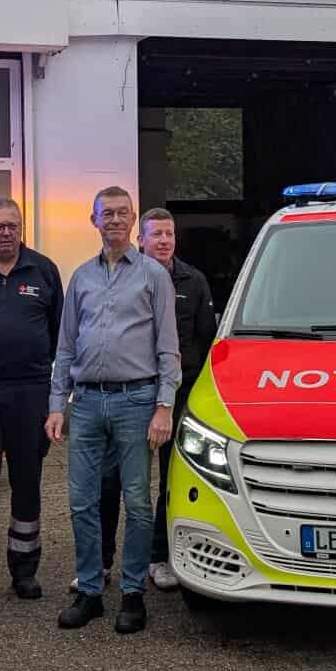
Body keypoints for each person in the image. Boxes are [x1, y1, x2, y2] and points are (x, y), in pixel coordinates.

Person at [46, 186, 181, 636]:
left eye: (123, 213)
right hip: (86, 402)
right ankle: (89, 590)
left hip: (136, 402)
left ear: (133, 219)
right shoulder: (81, 277)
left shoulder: (153, 276)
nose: (116, 220)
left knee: (137, 501)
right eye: (108, 214)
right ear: (94, 220)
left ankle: (132, 592)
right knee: (82, 501)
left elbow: (168, 348)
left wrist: (164, 407)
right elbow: (66, 347)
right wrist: (57, 404)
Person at [97, 208, 217, 591]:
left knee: (170, 480)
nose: (164, 241)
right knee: (113, 480)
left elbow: (207, 339)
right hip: (132, 393)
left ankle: (159, 557)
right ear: (141, 240)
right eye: (156, 234)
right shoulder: (123, 278)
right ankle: (101, 562)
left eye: (169, 234)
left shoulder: (194, 281)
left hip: (177, 397)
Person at [0, 197, 63, 601]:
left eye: (12, 226)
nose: (6, 233)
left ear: (22, 228)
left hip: (29, 391)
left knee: (26, 480)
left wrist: (54, 394)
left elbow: (59, 333)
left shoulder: (44, 270)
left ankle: (24, 570)